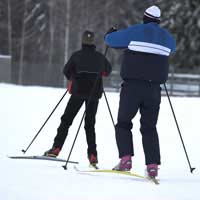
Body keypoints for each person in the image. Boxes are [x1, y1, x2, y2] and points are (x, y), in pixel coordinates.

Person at [105, 5, 176, 177]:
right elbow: (171, 49)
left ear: (145, 18)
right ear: (158, 21)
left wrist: (109, 33)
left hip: (132, 88)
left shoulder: (135, 31)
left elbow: (111, 41)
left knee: (123, 123)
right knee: (149, 127)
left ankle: (126, 159)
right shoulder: (168, 38)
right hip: (154, 90)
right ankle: (152, 166)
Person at [44, 30, 112, 167]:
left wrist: (73, 78)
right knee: (90, 125)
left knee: (66, 120)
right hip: (94, 95)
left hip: (78, 93)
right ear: (93, 42)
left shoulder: (76, 56)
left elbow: (66, 71)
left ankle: (56, 148)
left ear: (82, 41)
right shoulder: (100, 57)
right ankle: (93, 155)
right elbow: (107, 71)